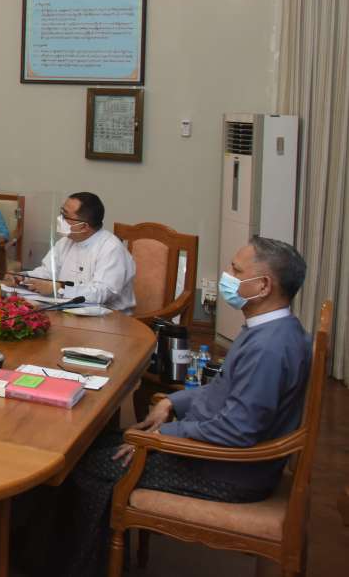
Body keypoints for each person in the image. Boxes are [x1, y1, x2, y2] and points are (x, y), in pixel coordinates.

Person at [50, 237, 311, 577]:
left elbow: (238, 430)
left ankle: (82, 567)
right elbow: (223, 389)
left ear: (263, 286)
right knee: (92, 443)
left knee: (89, 466)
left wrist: (162, 436)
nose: (227, 276)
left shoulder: (269, 348)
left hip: (226, 472)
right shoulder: (272, 329)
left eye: (236, 270)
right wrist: (173, 402)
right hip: (213, 450)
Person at [13, 192, 135, 313]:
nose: (60, 219)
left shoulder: (111, 248)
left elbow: (101, 293)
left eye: (65, 216)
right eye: (61, 213)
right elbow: (48, 272)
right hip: (66, 310)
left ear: (84, 226)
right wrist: (23, 277)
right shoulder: (66, 241)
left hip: (108, 317)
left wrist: (59, 289)